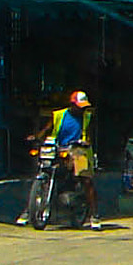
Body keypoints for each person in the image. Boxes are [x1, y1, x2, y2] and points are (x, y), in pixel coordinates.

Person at [24, 90, 101, 229]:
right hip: (58, 148)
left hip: (79, 150)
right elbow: (47, 129)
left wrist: (85, 142)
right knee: (43, 169)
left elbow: (89, 134)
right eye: (80, 106)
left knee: (86, 180)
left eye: (84, 107)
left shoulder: (87, 117)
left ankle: (94, 215)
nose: (82, 109)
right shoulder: (59, 115)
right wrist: (37, 137)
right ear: (72, 105)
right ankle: (29, 211)